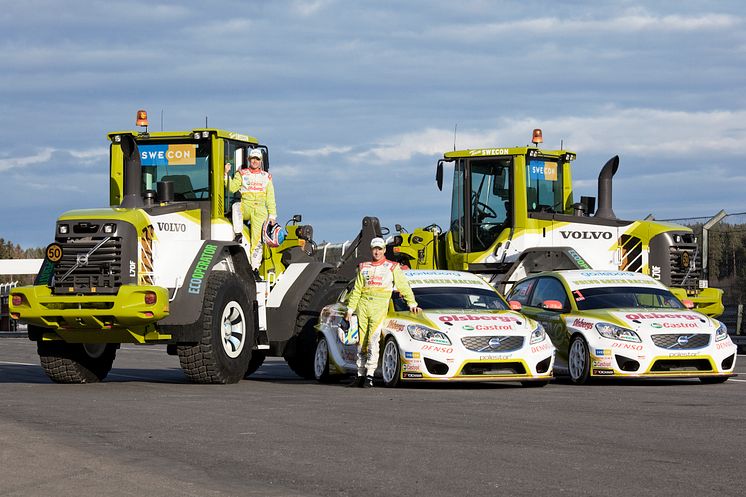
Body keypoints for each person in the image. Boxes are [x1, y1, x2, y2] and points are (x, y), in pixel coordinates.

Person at [345, 237, 420, 388]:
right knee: (361, 341)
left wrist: (412, 303)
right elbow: (356, 290)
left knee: (373, 339)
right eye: (375, 248)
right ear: (371, 250)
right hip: (363, 305)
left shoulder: (392, 267)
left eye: (380, 248)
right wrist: (350, 310)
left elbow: (403, 286)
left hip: (379, 306)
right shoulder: (363, 267)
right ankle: (360, 374)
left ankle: (370, 375)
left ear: (385, 250)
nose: (377, 251)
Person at [225, 149, 277, 269]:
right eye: (253, 158)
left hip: (260, 210)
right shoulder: (242, 174)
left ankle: (254, 269)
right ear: (249, 159)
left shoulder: (266, 177)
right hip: (246, 206)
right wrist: (226, 174)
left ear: (260, 161)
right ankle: (238, 234)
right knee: (236, 206)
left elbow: (270, 197)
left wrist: (272, 216)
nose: (255, 161)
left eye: (257, 159)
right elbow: (232, 188)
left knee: (257, 241)